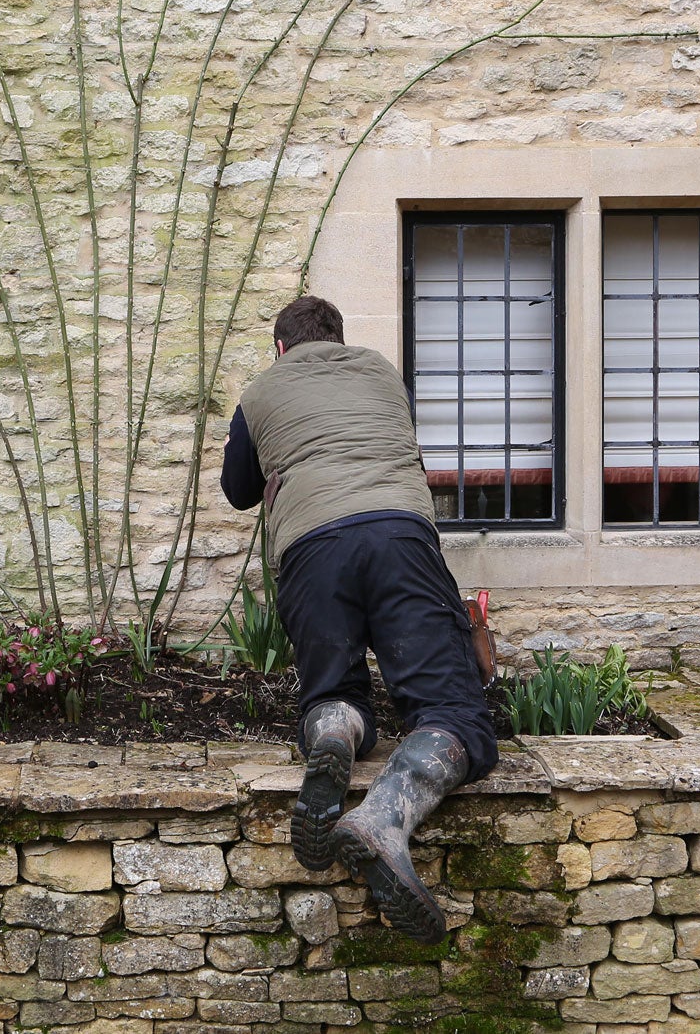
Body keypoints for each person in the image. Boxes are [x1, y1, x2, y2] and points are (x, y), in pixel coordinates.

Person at [220, 294, 498, 941]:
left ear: (282, 349)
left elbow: (237, 492)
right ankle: (384, 817)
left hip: (312, 551)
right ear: (339, 340)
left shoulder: (261, 391)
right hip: (399, 537)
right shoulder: (380, 373)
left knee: (335, 689)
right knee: (455, 716)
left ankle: (336, 737)